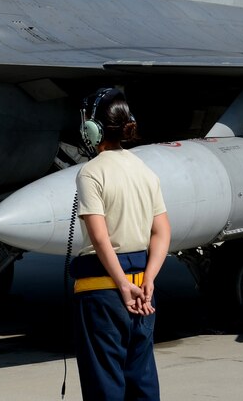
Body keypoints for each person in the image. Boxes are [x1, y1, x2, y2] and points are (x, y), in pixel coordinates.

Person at [70, 88, 171, 400]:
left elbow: (100, 238)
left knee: (105, 382)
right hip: (144, 291)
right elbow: (162, 232)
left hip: (104, 293)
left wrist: (121, 285)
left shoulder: (91, 173)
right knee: (141, 380)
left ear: (93, 129)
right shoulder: (145, 171)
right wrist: (148, 280)